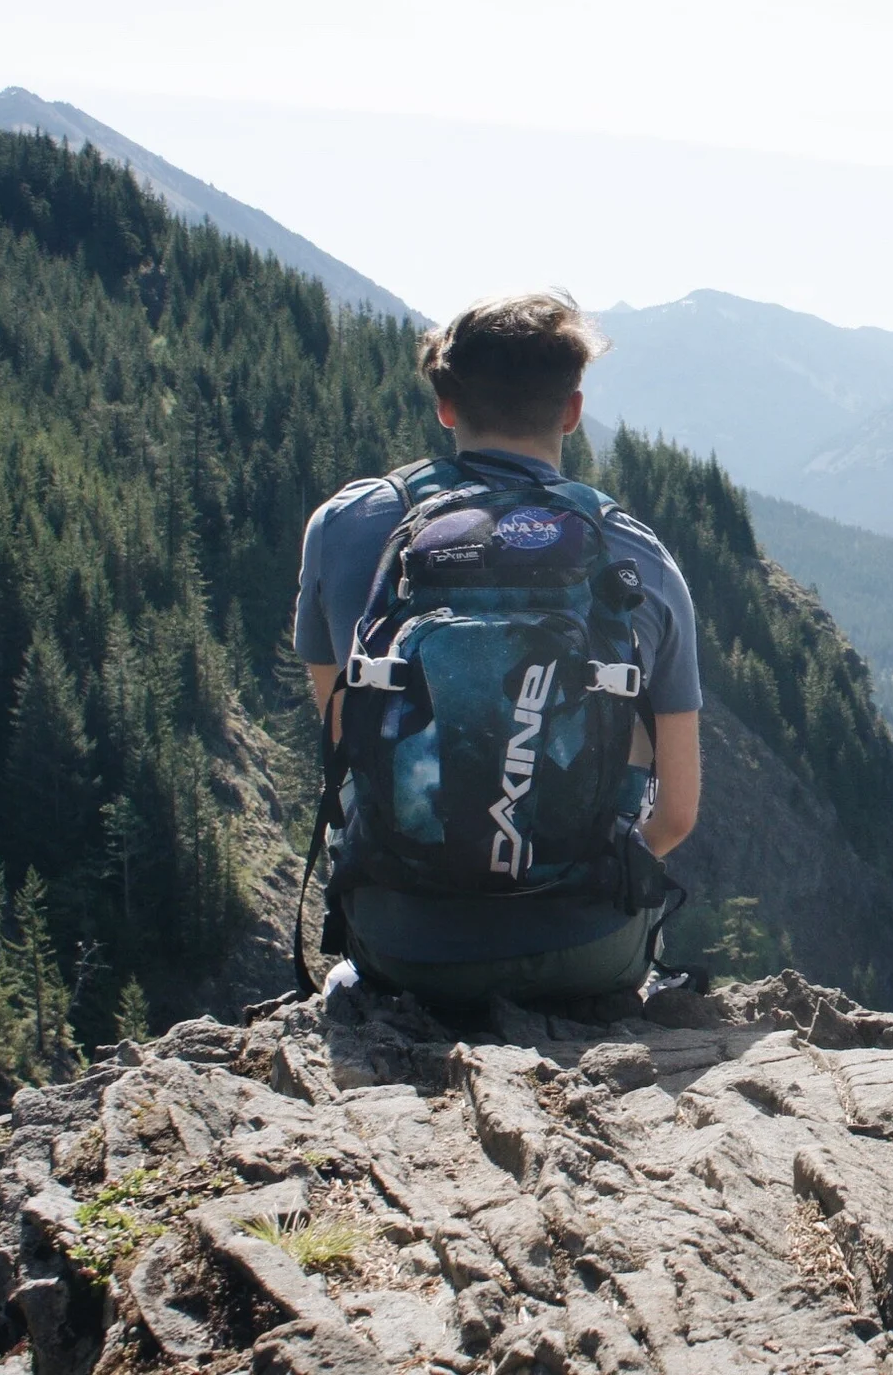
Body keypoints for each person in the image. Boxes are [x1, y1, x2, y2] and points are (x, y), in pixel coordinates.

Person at [291, 291, 700, 1003]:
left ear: (446, 407)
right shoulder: (638, 556)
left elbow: (343, 741)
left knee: (353, 980)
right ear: (571, 411)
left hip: (404, 949)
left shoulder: (348, 525)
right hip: (589, 952)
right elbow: (676, 816)